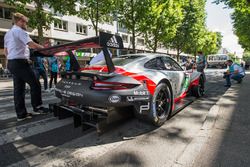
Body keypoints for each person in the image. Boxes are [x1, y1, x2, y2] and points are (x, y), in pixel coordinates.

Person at [4, 12, 49, 121]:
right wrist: (45, 49)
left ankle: (21, 114)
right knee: (35, 84)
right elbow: (32, 45)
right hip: (20, 63)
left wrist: (15, 58)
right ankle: (37, 107)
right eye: (25, 22)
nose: (26, 24)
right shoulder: (20, 31)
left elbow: (6, 51)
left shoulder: (8, 33)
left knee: (18, 89)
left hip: (12, 63)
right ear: (19, 21)